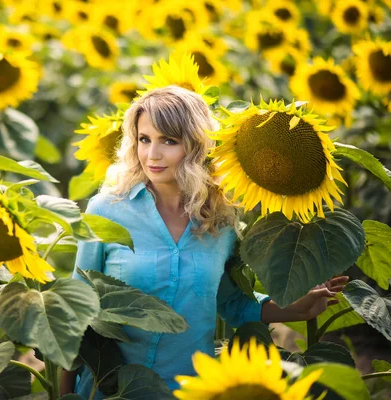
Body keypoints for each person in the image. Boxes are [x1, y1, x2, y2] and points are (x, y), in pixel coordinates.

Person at [61, 86, 348, 398]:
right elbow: (77, 311)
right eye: (144, 139)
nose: (152, 154)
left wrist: (295, 308)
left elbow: (232, 305)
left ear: (197, 145)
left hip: (187, 389)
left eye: (168, 141)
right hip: (107, 391)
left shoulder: (220, 222)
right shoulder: (107, 210)